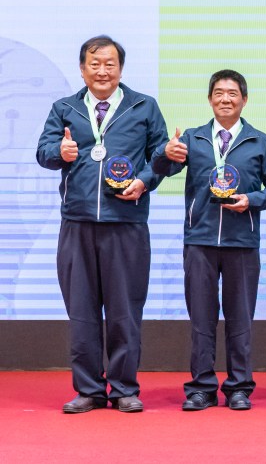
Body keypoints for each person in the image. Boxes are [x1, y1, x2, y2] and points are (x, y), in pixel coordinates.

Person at [36, 35, 168, 413]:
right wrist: (59, 152)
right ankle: (89, 389)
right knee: (82, 312)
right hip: (77, 224)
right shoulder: (64, 108)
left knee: (125, 311)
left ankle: (124, 388)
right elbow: (43, 152)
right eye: (94, 64)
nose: (102, 71)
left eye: (110, 64)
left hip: (126, 223)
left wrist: (145, 181)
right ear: (82, 69)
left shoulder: (143, 106)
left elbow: (162, 156)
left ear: (120, 69)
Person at [152, 70, 266, 411]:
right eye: (219, 93)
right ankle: (201, 388)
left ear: (244, 99)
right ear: (210, 99)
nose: (225, 99)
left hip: (242, 243)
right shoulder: (193, 138)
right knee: (202, 320)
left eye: (232, 93)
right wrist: (166, 152)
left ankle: (239, 387)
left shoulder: (259, 141)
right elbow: (164, 169)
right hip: (200, 241)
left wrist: (252, 200)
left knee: (240, 320)